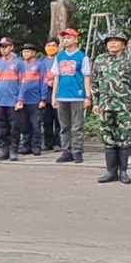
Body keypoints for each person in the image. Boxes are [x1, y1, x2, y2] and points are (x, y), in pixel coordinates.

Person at [91, 31, 131, 184]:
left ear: (124, 44)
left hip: (124, 105)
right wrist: (95, 102)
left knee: (124, 138)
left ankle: (123, 172)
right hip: (105, 105)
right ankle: (110, 171)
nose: (112, 43)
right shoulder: (100, 60)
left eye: (116, 41)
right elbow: (95, 82)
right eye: (109, 41)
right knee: (108, 137)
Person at [51, 28, 92, 163]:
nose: (66, 40)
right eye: (64, 38)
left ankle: (77, 151)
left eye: (69, 37)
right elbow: (56, 77)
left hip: (77, 95)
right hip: (62, 95)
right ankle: (66, 151)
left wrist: (87, 96)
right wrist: (54, 95)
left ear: (76, 39)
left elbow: (86, 77)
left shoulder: (82, 57)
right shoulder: (59, 57)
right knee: (64, 126)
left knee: (77, 126)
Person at [0, 37, 24, 161]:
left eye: (6, 46)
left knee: (14, 127)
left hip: (13, 101)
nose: (3, 49)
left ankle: (13, 149)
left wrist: (20, 100)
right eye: (1, 46)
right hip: (0, 100)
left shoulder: (18, 63)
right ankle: (4, 149)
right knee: (1, 127)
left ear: (11, 47)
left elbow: (22, 82)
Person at [18, 43, 48, 155]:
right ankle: (26, 146)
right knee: (24, 125)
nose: (26, 54)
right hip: (22, 100)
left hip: (35, 100)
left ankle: (36, 146)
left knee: (36, 125)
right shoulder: (20, 65)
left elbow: (44, 81)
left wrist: (43, 98)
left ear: (34, 53)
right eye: (24, 52)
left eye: (28, 51)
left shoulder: (39, 65)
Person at [40, 37, 61, 150]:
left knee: (58, 121)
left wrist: (55, 82)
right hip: (45, 96)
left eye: (53, 45)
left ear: (58, 47)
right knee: (46, 121)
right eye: (48, 46)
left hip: (58, 95)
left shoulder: (61, 59)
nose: (51, 48)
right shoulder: (41, 61)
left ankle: (58, 143)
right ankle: (48, 143)